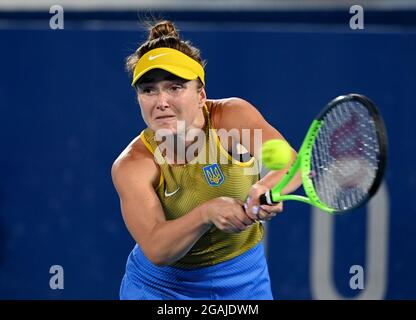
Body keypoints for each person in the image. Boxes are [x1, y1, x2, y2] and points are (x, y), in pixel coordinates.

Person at [111, 20, 302, 300]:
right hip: (161, 289)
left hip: (245, 280)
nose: (160, 101)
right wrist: (206, 213)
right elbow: (157, 248)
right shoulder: (132, 165)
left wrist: (268, 187)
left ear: (201, 95)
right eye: (148, 90)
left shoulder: (233, 117)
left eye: (175, 87)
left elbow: (289, 163)